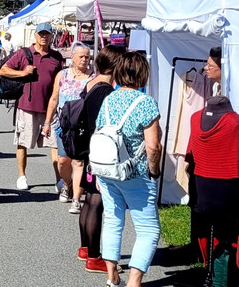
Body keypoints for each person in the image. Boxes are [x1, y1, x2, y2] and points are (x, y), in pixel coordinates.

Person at [95, 51, 162, 287]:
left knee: (113, 220)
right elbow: (153, 146)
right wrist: (154, 172)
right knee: (148, 230)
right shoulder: (146, 103)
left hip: (107, 170)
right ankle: (135, 282)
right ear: (143, 73)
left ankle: (112, 275)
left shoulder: (108, 100)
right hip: (135, 173)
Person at [0, 22, 65, 192]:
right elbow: (3, 70)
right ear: (35, 35)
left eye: (47, 34)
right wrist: (22, 73)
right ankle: (21, 175)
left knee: (54, 144)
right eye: (41, 34)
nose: (44, 37)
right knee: (23, 142)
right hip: (26, 106)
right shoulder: (24, 53)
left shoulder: (56, 57)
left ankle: (59, 179)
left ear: (51, 36)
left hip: (50, 107)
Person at [76, 45, 125, 274]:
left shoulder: (91, 84)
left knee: (88, 199)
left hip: (88, 148)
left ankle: (86, 248)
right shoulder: (106, 91)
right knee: (97, 201)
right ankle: (95, 257)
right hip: (99, 150)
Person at [44, 42, 94, 209]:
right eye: (81, 56)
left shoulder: (92, 77)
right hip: (62, 125)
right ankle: (67, 184)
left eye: (87, 57)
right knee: (63, 160)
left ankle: (76, 200)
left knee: (79, 162)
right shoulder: (62, 75)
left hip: (81, 127)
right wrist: (47, 122)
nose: (85, 60)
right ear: (72, 57)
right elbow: (53, 99)